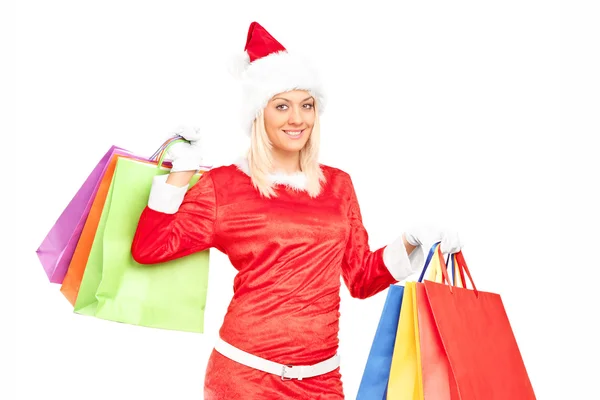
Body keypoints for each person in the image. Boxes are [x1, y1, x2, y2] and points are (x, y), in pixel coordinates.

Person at [131, 21, 463, 400]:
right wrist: (182, 172)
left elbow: (360, 279)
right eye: (282, 106)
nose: (297, 119)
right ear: (258, 114)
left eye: (307, 106)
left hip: (321, 382)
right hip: (244, 379)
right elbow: (149, 248)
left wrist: (411, 240)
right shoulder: (225, 186)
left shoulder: (338, 185)